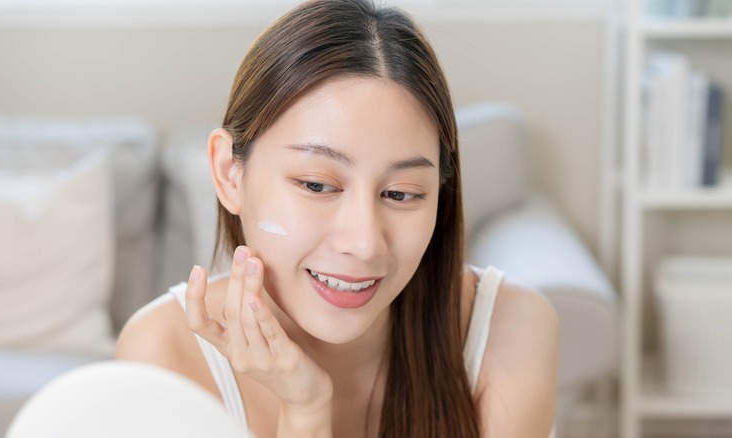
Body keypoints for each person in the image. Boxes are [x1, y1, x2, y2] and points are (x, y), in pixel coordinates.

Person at [116, 0, 559, 436]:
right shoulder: (164, 354)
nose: (365, 243)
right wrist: (304, 409)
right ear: (229, 173)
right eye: (316, 185)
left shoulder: (510, 331)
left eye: (401, 193)